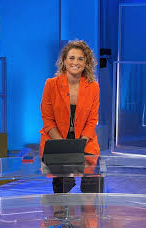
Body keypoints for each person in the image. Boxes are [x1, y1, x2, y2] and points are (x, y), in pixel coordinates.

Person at [40, 40, 100, 193]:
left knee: (93, 181)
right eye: (71, 58)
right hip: (57, 139)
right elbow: (47, 119)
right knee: (62, 185)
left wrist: (78, 145)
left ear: (86, 63)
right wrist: (64, 146)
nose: (76, 62)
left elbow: (93, 119)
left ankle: (89, 214)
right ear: (64, 61)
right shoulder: (51, 84)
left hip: (85, 140)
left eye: (80, 58)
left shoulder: (93, 87)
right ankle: (61, 214)